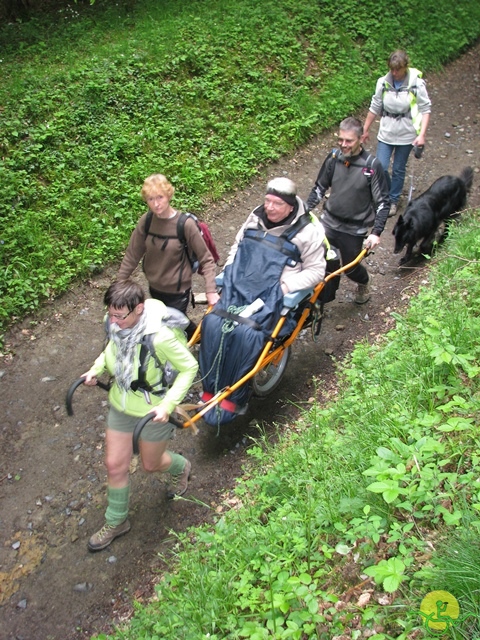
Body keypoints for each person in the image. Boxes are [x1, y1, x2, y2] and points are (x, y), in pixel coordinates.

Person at [81, 279, 198, 551]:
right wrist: (96, 369)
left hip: (152, 411)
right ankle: (117, 520)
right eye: (111, 314)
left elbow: (189, 368)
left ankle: (181, 467)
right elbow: (111, 349)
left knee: (150, 464)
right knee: (114, 465)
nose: (114, 321)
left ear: (139, 309)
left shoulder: (160, 337)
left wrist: (168, 405)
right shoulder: (116, 322)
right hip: (121, 406)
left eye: (120, 316)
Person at [199, 177, 326, 426]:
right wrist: (230, 270)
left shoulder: (307, 232)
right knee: (213, 323)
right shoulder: (254, 217)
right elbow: (238, 245)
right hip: (241, 287)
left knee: (246, 334)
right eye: (267, 201)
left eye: (276, 204)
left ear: (290, 206)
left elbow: (317, 271)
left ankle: (235, 398)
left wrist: (285, 287)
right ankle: (209, 389)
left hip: (272, 296)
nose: (269, 207)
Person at [117, 174, 220, 339]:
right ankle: (200, 337)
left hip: (178, 291)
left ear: (169, 196)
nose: (156, 204)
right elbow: (132, 254)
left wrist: (210, 290)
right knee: (170, 323)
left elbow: (207, 260)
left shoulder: (185, 225)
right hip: (154, 287)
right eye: (151, 199)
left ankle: (197, 345)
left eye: (160, 197)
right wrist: (119, 283)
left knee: (172, 328)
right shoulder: (147, 221)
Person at [305, 116, 390, 304]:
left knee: (350, 268)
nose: (344, 144)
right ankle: (322, 302)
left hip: (354, 229)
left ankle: (364, 282)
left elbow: (383, 202)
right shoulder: (333, 158)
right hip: (328, 222)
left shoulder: (371, 166)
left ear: (361, 139)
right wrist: (303, 211)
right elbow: (319, 188)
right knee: (325, 263)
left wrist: (376, 232)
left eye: (349, 140)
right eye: (340, 140)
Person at [362, 50, 431, 216]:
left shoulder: (416, 84)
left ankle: (393, 200)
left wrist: (421, 135)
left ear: (405, 67)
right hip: (387, 130)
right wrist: (365, 129)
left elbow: (425, 109)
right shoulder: (383, 83)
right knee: (381, 166)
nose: (394, 73)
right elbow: (375, 106)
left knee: (399, 168)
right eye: (392, 69)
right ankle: (383, 196)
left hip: (407, 132)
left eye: (397, 70)